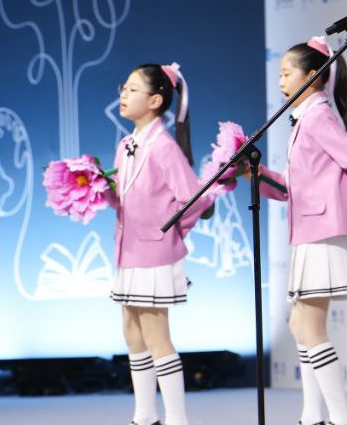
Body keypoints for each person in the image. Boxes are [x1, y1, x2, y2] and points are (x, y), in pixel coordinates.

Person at [255, 38, 347, 425]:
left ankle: (341, 419)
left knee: (307, 326)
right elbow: (294, 185)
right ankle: (312, 417)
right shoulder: (305, 117)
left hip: (322, 231)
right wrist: (256, 175)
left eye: (287, 73)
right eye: (280, 73)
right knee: (301, 326)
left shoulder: (317, 116)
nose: (281, 81)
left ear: (312, 76)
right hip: (310, 230)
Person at [109, 62, 213, 425]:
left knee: (156, 336)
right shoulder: (126, 145)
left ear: (155, 100)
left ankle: (177, 419)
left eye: (133, 89)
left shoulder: (165, 147)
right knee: (132, 333)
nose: (124, 93)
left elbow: (196, 199)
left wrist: (167, 231)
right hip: (128, 252)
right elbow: (128, 196)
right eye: (124, 86)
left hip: (154, 254)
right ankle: (144, 416)